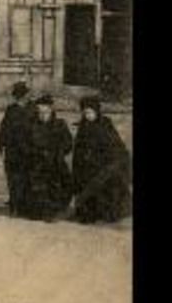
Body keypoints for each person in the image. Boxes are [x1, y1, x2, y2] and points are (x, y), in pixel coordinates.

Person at [72, 95, 131, 224]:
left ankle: (106, 213)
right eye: (85, 113)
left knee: (104, 186)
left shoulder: (105, 124)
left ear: (96, 111)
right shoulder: (83, 126)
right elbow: (79, 147)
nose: (88, 115)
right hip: (87, 165)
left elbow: (115, 145)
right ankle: (89, 214)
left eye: (90, 113)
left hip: (103, 164)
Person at [23, 94, 74, 221]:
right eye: (40, 112)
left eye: (45, 112)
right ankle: (38, 211)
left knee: (58, 185)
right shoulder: (32, 126)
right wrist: (35, 153)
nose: (43, 115)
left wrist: (59, 152)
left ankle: (53, 211)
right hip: (37, 163)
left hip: (56, 162)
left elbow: (68, 142)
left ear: (51, 111)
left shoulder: (60, 124)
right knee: (37, 187)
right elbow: (25, 144)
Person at [0, 82, 35, 217]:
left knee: (26, 177)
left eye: (22, 96)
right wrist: (0, 143)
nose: (21, 99)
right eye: (19, 96)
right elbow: (4, 126)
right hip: (13, 149)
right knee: (12, 177)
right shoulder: (11, 109)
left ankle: (22, 204)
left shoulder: (33, 108)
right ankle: (14, 204)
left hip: (28, 149)